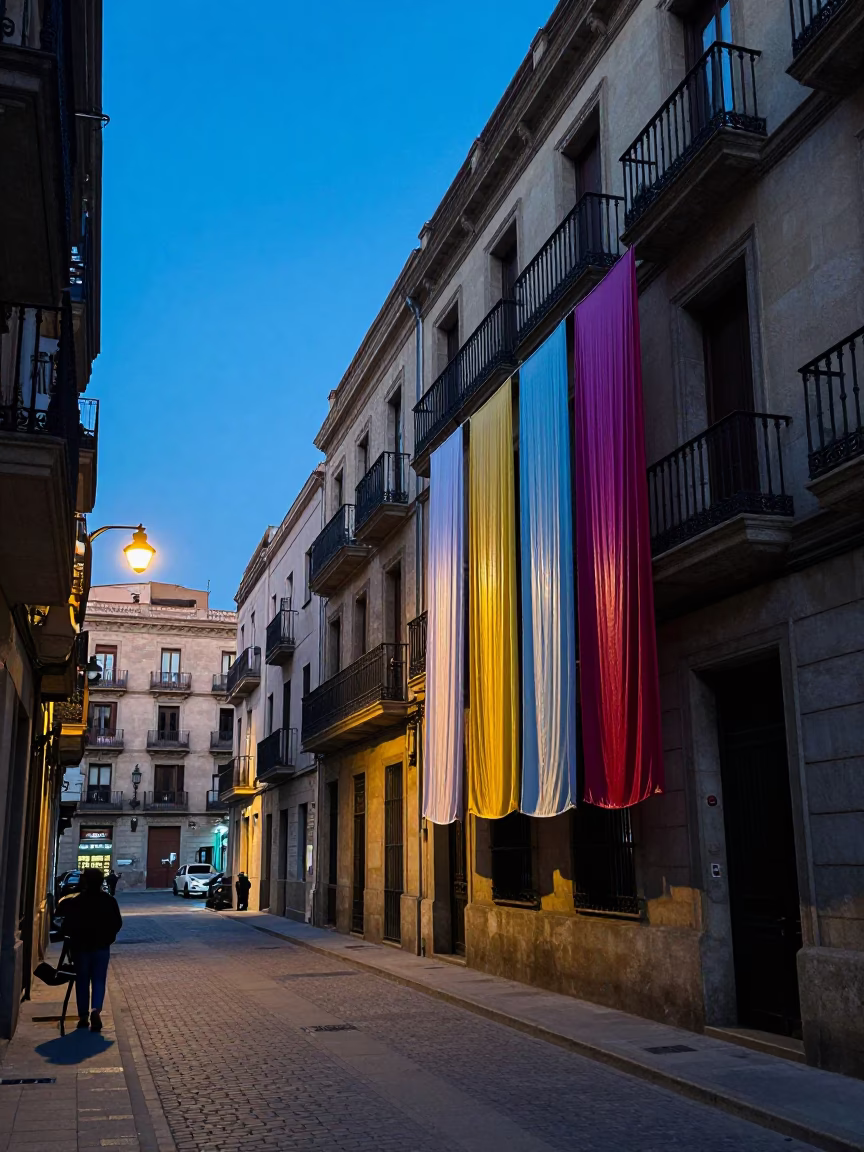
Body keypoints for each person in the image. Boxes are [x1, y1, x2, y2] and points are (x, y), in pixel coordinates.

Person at [58, 867, 122, 1032]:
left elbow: (67, 926)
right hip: (101, 947)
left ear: (85, 882)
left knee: (82, 980)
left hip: (81, 948)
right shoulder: (108, 901)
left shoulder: (76, 901)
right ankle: (96, 1010)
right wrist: (108, 938)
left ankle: (83, 1015)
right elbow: (117, 923)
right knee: (99, 980)